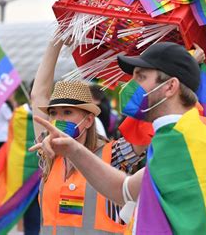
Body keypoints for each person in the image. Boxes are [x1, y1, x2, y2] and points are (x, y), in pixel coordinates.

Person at [31, 42, 206, 234]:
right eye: (54, 112)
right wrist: (73, 150)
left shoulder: (185, 142)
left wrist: (186, 64)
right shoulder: (172, 140)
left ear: (170, 86)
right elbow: (124, 190)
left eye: (140, 77)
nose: (131, 87)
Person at [30, 38, 147, 234]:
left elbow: (146, 124)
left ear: (89, 120)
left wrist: (181, 69)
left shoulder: (113, 156)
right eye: (54, 113)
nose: (58, 119)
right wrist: (56, 41)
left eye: (67, 112)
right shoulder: (49, 153)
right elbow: (38, 95)